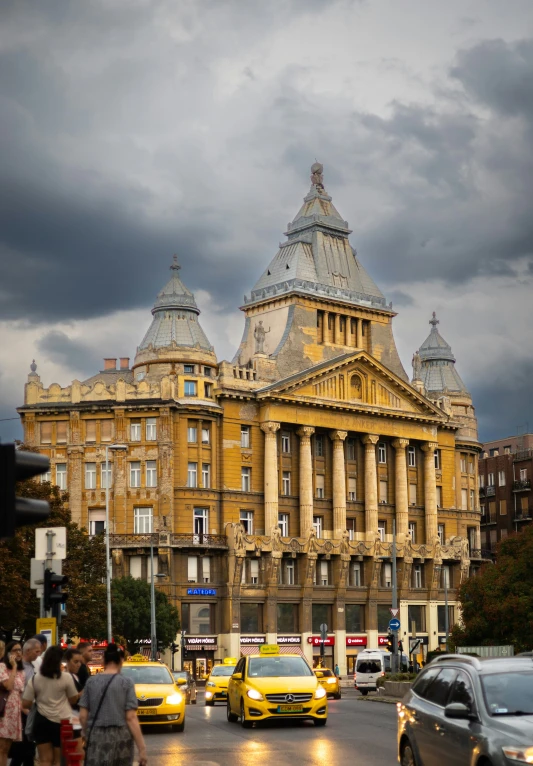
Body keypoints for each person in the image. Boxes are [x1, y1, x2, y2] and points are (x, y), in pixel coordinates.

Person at [79, 643, 147, 766]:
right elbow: (131, 717)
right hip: (121, 737)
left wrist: (87, 733)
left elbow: (83, 716)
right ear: (121, 660)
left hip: (96, 735)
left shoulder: (91, 682)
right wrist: (142, 749)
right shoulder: (126, 683)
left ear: (104, 660)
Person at [22, 645, 78, 766]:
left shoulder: (35, 679)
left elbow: (25, 703)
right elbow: (73, 699)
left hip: (41, 721)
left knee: (44, 760)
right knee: (58, 760)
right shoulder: (66, 678)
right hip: (62, 722)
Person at [9, 639, 41, 766]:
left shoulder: (31, 666)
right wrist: (24, 709)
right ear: (28, 650)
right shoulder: (19, 667)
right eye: (37, 651)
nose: (39, 654)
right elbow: (16, 691)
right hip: (22, 712)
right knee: (22, 750)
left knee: (27, 751)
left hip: (29, 710)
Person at [0, 641, 25, 766]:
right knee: (1, 748)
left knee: (6, 749)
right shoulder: (2, 667)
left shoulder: (22, 672)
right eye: (15, 650)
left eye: (20, 650)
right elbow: (8, 686)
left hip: (14, 712)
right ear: (9, 653)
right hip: (4, 711)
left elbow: (21, 693)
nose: (19, 653)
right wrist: (14, 666)